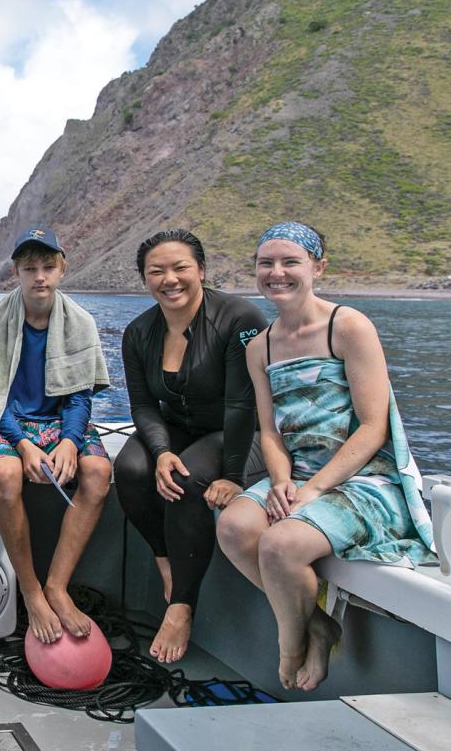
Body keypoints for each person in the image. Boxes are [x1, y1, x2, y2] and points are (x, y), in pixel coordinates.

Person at [217, 222, 435, 691]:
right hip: (300, 474)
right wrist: (280, 481)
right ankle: (319, 625)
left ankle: (292, 641)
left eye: (290, 261)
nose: (277, 272)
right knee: (235, 527)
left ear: (318, 267)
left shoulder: (349, 326)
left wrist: (313, 490)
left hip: (363, 481)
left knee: (281, 545)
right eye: (266, 263)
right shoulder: (261, 346)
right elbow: (272, 432)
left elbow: (373, 427)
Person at [114, 229, 268, 664]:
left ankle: (182, 605)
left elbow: (242, 402)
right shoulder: (139, 331)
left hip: (243, 433)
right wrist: (161, 450)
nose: (170, 279)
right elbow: (143, 405)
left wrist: (233, 475)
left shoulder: (240, 318)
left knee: (188, 475)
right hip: (179, 428)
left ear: (201, 270)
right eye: (156, 271)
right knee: (130, 470)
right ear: (144, 279)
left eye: (181, 268)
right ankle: (165, 560)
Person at [0, 227, 112, 644]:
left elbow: (80, 398)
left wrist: (68, 440)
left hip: (61, 422)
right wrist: (25, 444)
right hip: (7, 422)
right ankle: (31, 590)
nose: (40, 277)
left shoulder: (80, 322)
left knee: (98, 473)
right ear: (16, 272)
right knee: (7, 476)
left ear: (63, 268)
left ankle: (57, 586)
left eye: (48, 267)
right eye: (30, 269)